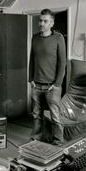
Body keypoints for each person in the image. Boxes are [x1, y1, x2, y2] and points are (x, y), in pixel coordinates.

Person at [28, 8, 66, 146]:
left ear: (52, 23)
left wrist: (57, 84)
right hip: (36, 85)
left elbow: (63, 63)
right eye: (40, 20)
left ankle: (58, 144)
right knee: (36, 116)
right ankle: (35, 140)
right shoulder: (35, 38)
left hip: (52, 86)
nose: (41, 23)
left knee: (55, 117)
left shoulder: (58, 38)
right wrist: (30, 79)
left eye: (45, 21)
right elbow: (32, 59)